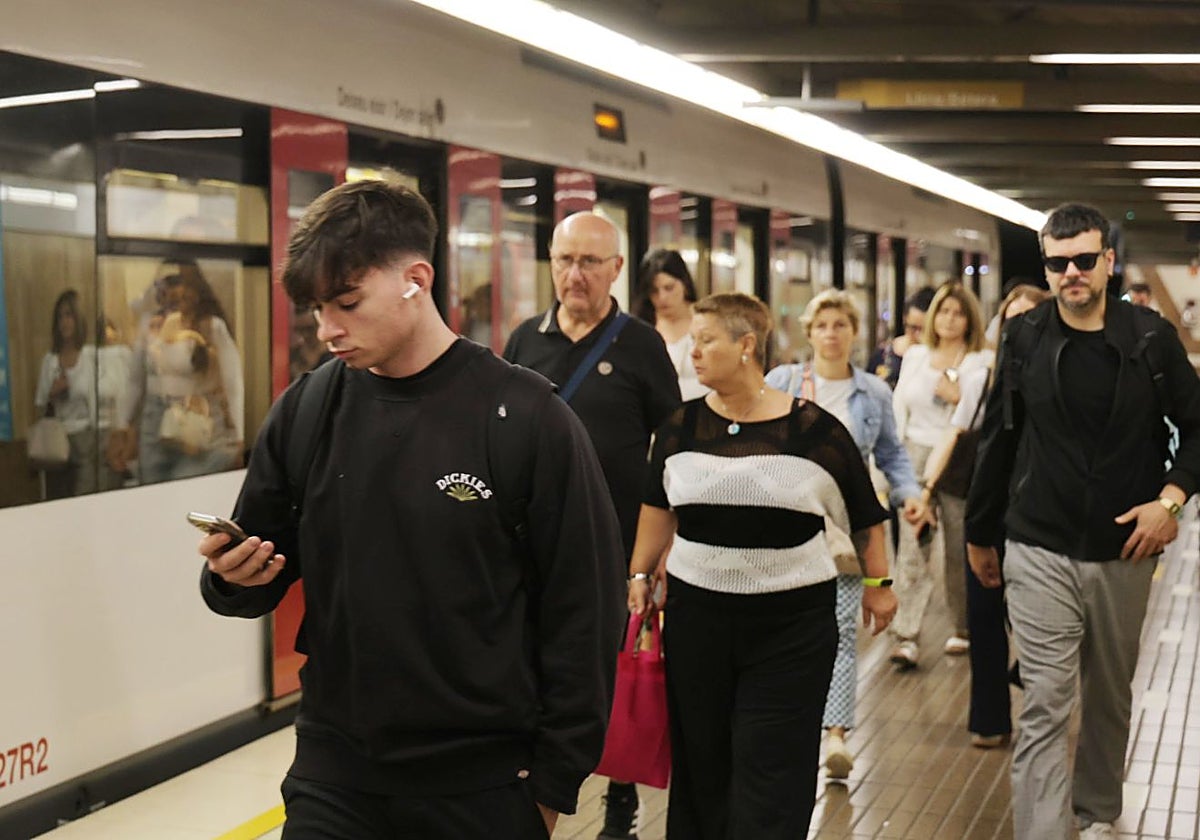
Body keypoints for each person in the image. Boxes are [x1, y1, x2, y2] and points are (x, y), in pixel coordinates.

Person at [198, 180, 625, 839]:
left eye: (346, 303)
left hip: (480, 785)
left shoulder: (524, 417)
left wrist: (552, 784)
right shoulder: (308, 410)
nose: (327, 329)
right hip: (334, 773)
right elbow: (259, 560)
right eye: (317, 309)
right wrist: (231, 579)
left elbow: (586, 609)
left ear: (415, 279)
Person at [966, 202, 1200, 839]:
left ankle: (1096, 810)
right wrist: (979, 532)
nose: (1071, 272)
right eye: (1057, 262)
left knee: (1108, 692)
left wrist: (1172, 499)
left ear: (1108, 263)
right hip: (1037, 541)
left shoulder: (1149, 337)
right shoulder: (1024, 335)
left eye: (1084, 260)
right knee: (1044, 701)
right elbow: (999, 436)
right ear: (1045, 265)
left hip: (1124, 546)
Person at [626, 292, 894, 839]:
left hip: (791, 626)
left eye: (706, 341)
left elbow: (866, 518)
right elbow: (657, 509)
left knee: (770, 760)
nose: (693, 353)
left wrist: (879, 585)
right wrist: (639, 574)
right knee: (702, 761)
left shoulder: (817, 433)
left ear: (746, 345)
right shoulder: (679, 427)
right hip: (697, 618)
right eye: (692, 342)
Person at [503, 211, 680, 840]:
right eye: (564, 260)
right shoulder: (524, 341)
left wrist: (660, 546)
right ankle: (530, 780)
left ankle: (620, 794)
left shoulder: (642, 346)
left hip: (616, 544)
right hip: (535, 544)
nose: (574, 275)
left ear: (615, 270)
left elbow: (675, 442)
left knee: (611, 672)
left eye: (589, 262)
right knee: (533, 662)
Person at [764, 289, 923, 779]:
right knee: (780, 630)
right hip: (783, 525)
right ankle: (784, 726)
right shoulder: (783, 382)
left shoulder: (872, 393)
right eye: (823, 325)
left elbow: (892, 453)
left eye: (841, 325)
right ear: (809, 332)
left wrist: (909, 493)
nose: (831, 334)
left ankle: (835, 734)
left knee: (838, 629)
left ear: (854, 333)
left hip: (846, 529)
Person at [923, 283, 1049, 751]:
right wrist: (926, 488)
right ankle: (990, 718)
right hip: (986, 511)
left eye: (1028, 319)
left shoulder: (1058, 380)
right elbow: (955, 436)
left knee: (1036, 618)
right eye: (1010, 319)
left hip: (1038, 516)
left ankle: (1035, 693)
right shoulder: (983, 376)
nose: (1017, 329)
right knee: (984, 617)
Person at [889, 282, 990, 668]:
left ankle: (962, 627)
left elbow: (975, 416)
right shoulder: (916, 356)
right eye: (943, 311)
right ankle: (907, 633)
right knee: (913, 546)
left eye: (957, 312)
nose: (949, 319)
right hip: (915, 454)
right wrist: (894, 463)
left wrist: (956, 396)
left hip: (958, 460)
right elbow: (900, 406)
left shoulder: (979, 361)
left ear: (969, 319)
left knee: (958, 544)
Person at [110, 265, 244, 484]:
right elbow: (135, 380)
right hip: (155, 421)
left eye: (178, 284)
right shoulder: (150, 325)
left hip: (197, 420)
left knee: (187, 487)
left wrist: (239, 436)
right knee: (153, 490)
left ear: (193, 289)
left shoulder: (211, 326)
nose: (173, 294)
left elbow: (233, 383)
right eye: (166, 286)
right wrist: (123, 425)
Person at [33, 289, 124, 497]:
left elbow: (110, 393)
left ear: (78, 319)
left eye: (69, 315)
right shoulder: (50, 361)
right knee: (62, 497)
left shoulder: (90, 357)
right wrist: (52, 394)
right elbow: (39, 407)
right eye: (60, 316)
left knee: (89, 494)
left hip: (91, 439)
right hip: (60, 440)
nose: (64, 322)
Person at [634, 248, 707, 400]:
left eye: (669, 288)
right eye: (654, 291)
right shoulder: (641, 327)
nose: (662, 297)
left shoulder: (706, 319)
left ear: (684, 284)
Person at [868, 286, 935, 389]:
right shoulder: (884, 354)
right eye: (913, 327)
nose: (918, 334)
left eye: (923, 329)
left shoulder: (937, 359)